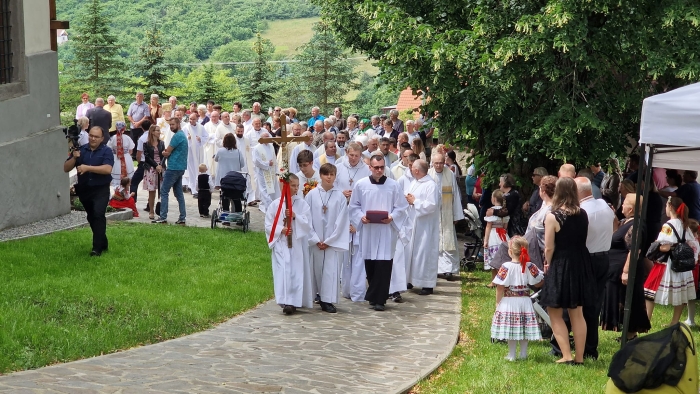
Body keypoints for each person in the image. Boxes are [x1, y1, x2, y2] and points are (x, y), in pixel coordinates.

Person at [540, 177, 594, 365]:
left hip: (562, 263)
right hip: (580, 262)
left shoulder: (553, 216)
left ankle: (566, 355)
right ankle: (579, 357)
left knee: (554, 311)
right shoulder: (583, 214)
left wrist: (547, 263)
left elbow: (548, 248)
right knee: (577, 312)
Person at [349, 155, 409, 311]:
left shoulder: (393, 185)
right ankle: (373, 296)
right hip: (369, 230)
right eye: (376, 167)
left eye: (382, 167)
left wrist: (392, 217)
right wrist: (360, 217)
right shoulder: (361, 185)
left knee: (384, 264)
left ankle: (380, 299)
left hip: (385, 230)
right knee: (370, 263)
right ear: (370, 167)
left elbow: (401, 207)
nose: (379, 170)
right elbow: (353, 206)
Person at [600, 193, 651, 341]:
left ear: (631, 208)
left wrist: (626, 271)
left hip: (625, 270)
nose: (622, 205)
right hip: (615, 269)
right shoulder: (628, 221)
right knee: (624, 300)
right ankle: (628, 333)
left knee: (629, 301)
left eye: (624, 203)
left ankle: (630, 335)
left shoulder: (636, 225)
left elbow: (634, 250)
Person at [575, 176, 614, 360]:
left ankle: (586, 347)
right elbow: (615, 225)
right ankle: (590, 346)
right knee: (594, 304)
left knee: (579, 303)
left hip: (587, 258)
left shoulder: (582, 211)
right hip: (604, 257)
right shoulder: (604, 205)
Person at [265, 174, 315, 315]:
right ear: (285, 186)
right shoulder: (275, 204)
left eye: (297, 185)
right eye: (293, 185)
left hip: (297, 244)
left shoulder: (302, 203)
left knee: (296, 272)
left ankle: (294, 301)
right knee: (283, 271)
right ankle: (285, 300)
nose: (296, 188)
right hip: (281, 244)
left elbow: (308, 223)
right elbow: (268, 225)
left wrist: (295, 216)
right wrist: (282, 229)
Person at [644, 197, 699, 325]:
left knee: (650, 290)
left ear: (669, 206)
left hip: (668, 263)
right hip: (683, 265)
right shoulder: (684, 224)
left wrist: (658, 247)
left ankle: (647, 319)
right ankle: (674, 321)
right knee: (681, 294)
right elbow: (692, 242)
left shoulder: (668, 225)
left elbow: (664, 246)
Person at [491, 236, 544, 361]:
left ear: (510, 251)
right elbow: (538, 282)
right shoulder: (530, 266)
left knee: (512, 328)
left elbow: (500, 286)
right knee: (524, 327)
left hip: (510, 301)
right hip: (525, 301)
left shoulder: (506, 266)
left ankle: (511, 354)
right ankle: (523, 353)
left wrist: (498, 302)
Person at [63, 126, 114, 256]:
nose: (92, 138)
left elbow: (107, 169)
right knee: (92, 217)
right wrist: (74, 158)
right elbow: (65, 168)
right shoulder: (81, 150)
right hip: (85, 189)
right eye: (91, 135)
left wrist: (88, 168)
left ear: (102, 138)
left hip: (100, 189)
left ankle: (96, 249)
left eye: (96, 137)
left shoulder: (106, 151)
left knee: (98, 214)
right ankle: (103, 241)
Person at [305, 164, 350, 313]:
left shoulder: (340, 197)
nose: (329, 177)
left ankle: (327, 300)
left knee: (330, 270)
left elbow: (342, 221)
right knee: (316, 269)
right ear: (321, 175)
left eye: (332, 174)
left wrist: (330, 240)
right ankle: (314, 296)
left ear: (335, 176)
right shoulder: (311, 195)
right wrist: (315, 238)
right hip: (316, 240)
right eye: (326, 174)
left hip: (331, 241)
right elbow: (307, 218)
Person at [335, 143, 371, 302]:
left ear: (361, 155)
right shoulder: (338, 167)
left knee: (358, 256)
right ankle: (346, 289)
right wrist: (341, 193)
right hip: (341, 213)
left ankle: (358, 292)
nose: (354, 159)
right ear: (346, 153)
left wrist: (356, 223)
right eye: (351, 155)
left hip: (358, 215)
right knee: (344, 255)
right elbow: (331, 188)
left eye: (357, 156)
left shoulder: (366, 171)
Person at [405, 159, 440, 295]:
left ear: (417, 170)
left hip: (426, 226)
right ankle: (411, 279)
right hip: (414, 223)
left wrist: (415, 201)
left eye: (412, 167)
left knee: (425, 252)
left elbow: (432, 205)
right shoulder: (415, 182)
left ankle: (427, 284)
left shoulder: (431, 185)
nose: (410, 169)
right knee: (412, 252)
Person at [429, 153, 465, 278]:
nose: (438, 165)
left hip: (447, 213)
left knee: (448, 240)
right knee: (435, 241)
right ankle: (437, 269)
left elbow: (455, 195)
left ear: (444, 162)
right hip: (433, 214)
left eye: (440, 162)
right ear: (432, 163)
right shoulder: (428, 175)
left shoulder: (449, 174)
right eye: (436, 163)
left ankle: (449, 269)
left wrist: (456, 216)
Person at [153, 118, 188, 225]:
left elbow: (167, 151)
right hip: (181, 167)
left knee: (164, 191)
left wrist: (164, 152)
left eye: (173, 124)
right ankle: (182, 217)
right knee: (178, 193)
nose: (171, 126)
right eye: (170, 125)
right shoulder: (183, 135)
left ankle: (163, 217)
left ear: (178, 124)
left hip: (173, 167)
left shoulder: (177, 136)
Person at [214, 133, 246, 208]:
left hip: (224, 178)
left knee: (225, 196)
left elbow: (216, 159)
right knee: (236, 197)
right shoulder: (238, 152)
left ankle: (225, 212)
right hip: (235, 179)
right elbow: (242, 164)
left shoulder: (220, 151)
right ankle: (238, 213)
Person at [484, 190, 509, 285]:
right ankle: (503, 279)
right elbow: (505, 226)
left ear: (494, 199)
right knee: (502, 259)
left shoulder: (490, 211)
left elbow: (488, 226)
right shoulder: (504, 211)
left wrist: (486, 240)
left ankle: (494, 281)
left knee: (494, 260)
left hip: (493, 235)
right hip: (503, 235)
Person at [252, 132, 280, 213]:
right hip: (262, 171)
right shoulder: (257, 148)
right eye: (266, 137)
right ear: (262, 138)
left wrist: (276, 168)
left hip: (271, 171)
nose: (268, 138)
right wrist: (267, 163)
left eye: (268, 136)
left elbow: (274, 158)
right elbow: (256, 161)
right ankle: (269, 206)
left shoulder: (271, 146)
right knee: (264, 189)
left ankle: (273, 205)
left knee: (272, 189)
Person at [142, 124, 165, 220]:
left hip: (161, 168)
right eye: (157, 130)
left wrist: (161, 165)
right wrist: (156, 165)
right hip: (151, 169)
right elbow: (147, 157)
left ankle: (161, 210)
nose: (159, 132)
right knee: (152, 191)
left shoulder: (162, 143)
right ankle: (151, 210)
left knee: (162, 190)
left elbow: (164, 155)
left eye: (159, 130)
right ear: (152, 132)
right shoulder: (146, 144)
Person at [184, 111, 208, 196]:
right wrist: (188, 138)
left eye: (193, 119)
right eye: (190, 119)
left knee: (198, 168)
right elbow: (182, 138)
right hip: (190, 152)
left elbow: (206, 137)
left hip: (198, 151)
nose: (191, 121)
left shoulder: (201, 127)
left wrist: (200, 138)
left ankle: (197, 186)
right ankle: (192, 187)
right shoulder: (186, 127)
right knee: (191, 169)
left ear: (197, 119)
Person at [106, 121, 135, 188]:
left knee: (116, 180)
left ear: (116, 128)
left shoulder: (112, 138)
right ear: (124, 128)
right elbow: (131, 150)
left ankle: (117, 194)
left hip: (115, 158)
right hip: (126, 158)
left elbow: (108, 149)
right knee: (127, 178)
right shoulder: (127, 138)